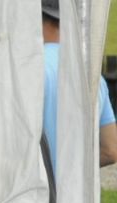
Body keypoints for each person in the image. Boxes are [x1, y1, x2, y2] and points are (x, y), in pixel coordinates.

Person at [41, 0, 117, 169]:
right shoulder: (92, 74)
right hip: (78, 192)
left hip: (35, 193)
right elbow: (110, 150)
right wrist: (72, 171)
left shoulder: (28, 71)